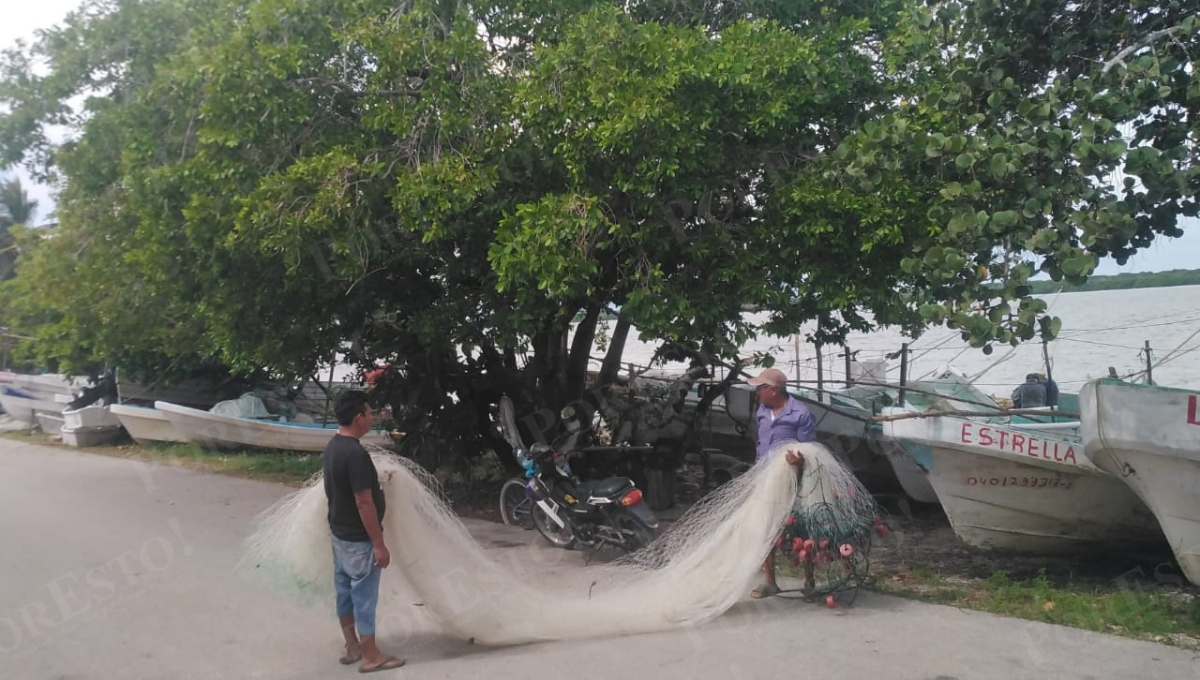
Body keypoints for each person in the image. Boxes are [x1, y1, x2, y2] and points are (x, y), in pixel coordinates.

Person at [322, 390, 405, 673]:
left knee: (345, 593)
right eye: (369, 413)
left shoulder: (333, 446)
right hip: (359, 540)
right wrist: (378, 544)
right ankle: (371, 656)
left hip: (340, 535)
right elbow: (363, 501)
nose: (372, 417)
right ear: (359, 417)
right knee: (364, 598)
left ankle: (353, 647)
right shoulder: (355, 454)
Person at [746, 367, 817, 599]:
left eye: (760, 388)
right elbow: (762, 443)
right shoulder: (762, 411)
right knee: (765, 527)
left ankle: (809, 581)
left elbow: (810, 449)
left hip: (792, 479)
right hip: (764, 475)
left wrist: (799, 461)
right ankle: (770, 582)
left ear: (773, 390)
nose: (757, 393)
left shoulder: (801, 413)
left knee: (800, 527)